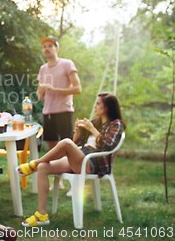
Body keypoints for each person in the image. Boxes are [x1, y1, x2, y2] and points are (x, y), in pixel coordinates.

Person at [16, 92, 126, 227]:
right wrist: (78, 132)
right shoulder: (96, 122)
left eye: (98, 104)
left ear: (107, 107)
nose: (94, 107)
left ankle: (33, 164)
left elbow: (108, 145)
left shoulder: (116, 124)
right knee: (43, 167)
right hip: (82, 156)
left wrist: (92, 129)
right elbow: (75, 144)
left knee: (65, 142)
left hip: (93, 163)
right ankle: (41, 215)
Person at [37, 35, 81, 191]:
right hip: (48, 112)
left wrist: (55, 89)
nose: (47, 48)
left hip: (64, 111)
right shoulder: (43, 69)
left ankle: (73, 185)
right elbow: (39, 95)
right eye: (44, 46)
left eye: (50, 45)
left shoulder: (66, 64)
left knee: (69, 149)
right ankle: (58, 182)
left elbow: (78, 88)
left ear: (57, 48)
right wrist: (41, 91)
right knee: (52, 149)